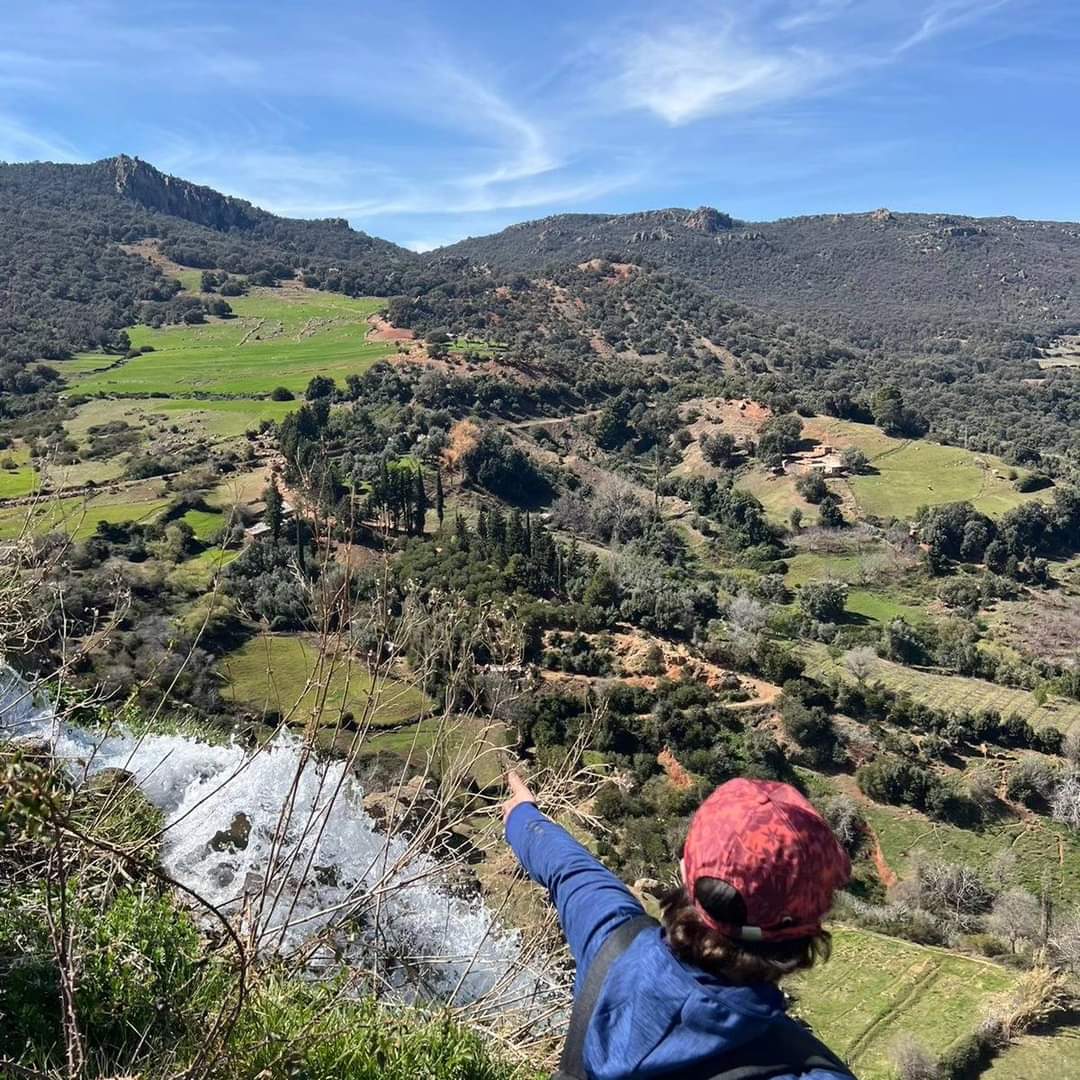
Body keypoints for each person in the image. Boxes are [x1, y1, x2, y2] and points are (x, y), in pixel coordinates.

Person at [503, 771, 855, 1080]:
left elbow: (568, 870)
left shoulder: (613, 943)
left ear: (686, 871)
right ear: (809, 930)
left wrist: (521, 815)